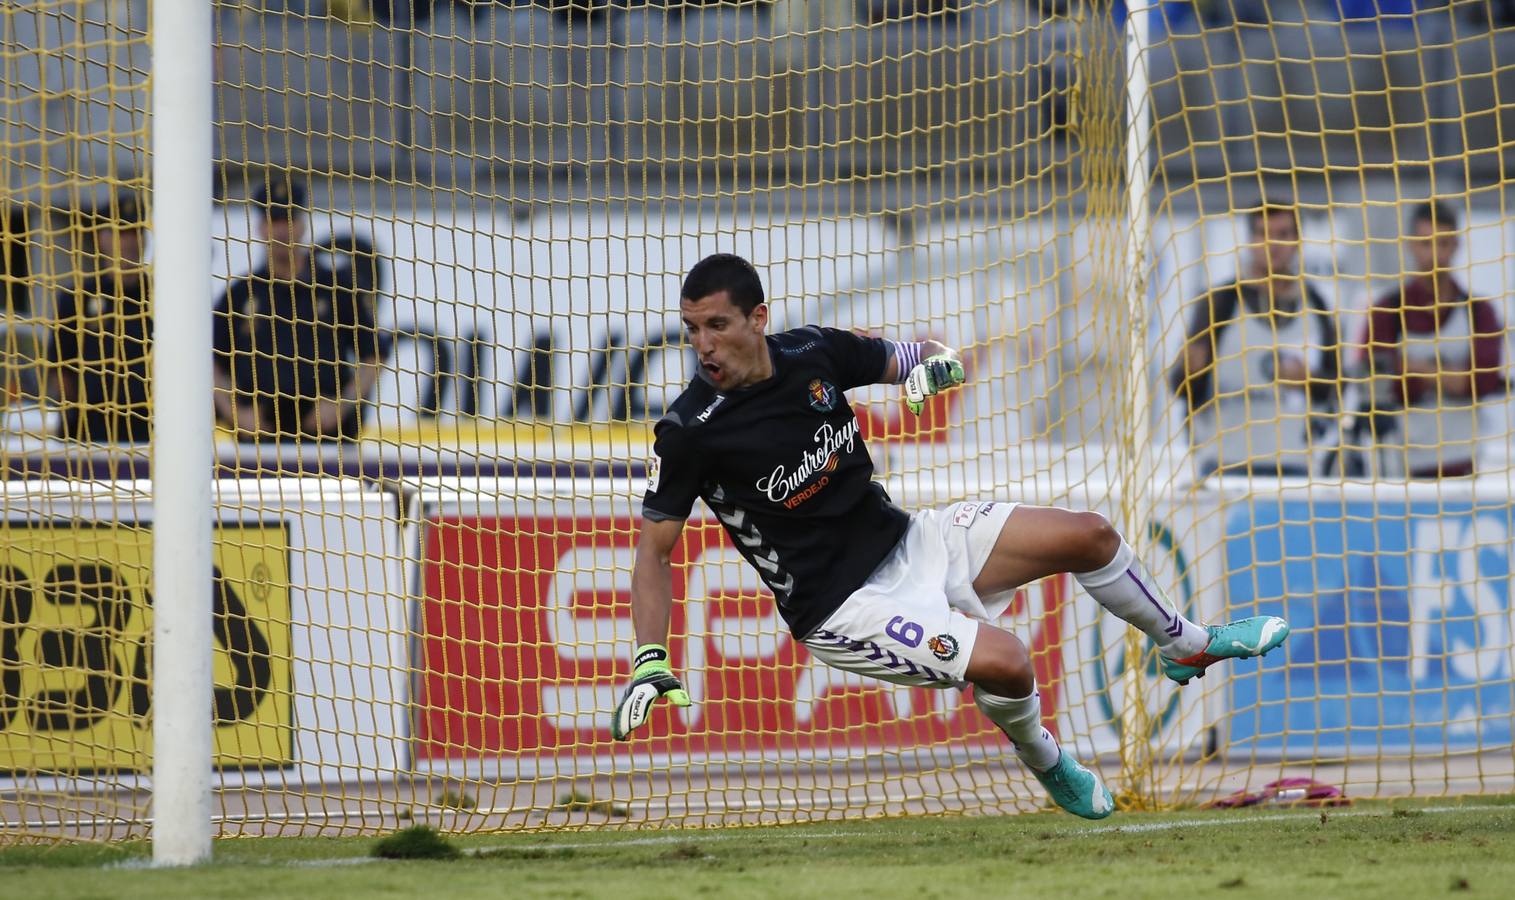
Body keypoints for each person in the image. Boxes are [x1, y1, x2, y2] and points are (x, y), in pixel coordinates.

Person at [611, 253, 1290, 820]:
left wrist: (933, 368)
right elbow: (654, 550)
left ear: (757, 319)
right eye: (691, 328)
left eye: (716, 325)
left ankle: (1187, 646)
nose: (702, 345)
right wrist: (648, 655)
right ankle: (1048, 762)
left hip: (912, 541)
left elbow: (926, 357)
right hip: (844, 607)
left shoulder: (812, 352)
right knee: (1011, 662)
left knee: (1090, 534)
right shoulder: (690, 430)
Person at [1169, 199, 1341, 477]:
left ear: (1297, 240)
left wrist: (1309, 380)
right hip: (1226, 467)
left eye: (1283, 234)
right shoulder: (1220, 303)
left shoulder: (1316, 304)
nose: (1273, 244)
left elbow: (1338, 386)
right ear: (1250, 240)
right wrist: (1190, 371)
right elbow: (1181, 387)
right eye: (1264, 233)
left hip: (1295, 467)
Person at [213, 178, 385, 442]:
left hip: (327, 436)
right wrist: (236, 414)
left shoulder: (337, 288)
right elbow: (211, 362)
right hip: (261, 439)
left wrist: (341, 405)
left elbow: (373, 356)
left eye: (289, 220)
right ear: (261, 227)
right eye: (274, 221)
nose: (282, 231)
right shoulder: (239, 295)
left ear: (303, 224)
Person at [1359, 201, 1504, 479]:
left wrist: (1415, 368)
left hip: (1463, 464)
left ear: (1456, 246)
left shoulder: (1478, 311)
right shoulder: (1387, 311)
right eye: (1426, 243)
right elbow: (1380, 382)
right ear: (1411, 244)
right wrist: (1454, 376)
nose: (1435, 255)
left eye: (1443, 244)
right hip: (1399, 467)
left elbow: (1483, 381)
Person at [48, 191, 153, 445]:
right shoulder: (78, 297)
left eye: (132, 232)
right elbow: (59, 367)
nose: (125, 242)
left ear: (144, 239)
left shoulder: (161, 297)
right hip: (90, 428)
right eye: (118, 232)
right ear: (100, 237)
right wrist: (71, 413)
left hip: (147, 428)